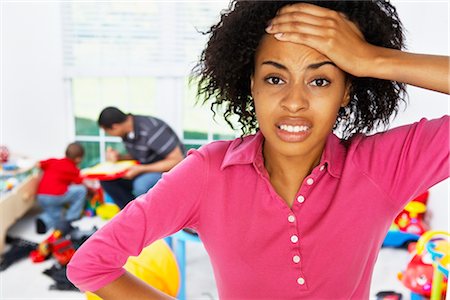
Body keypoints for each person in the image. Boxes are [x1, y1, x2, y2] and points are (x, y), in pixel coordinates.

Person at [67, 1, 449, 299]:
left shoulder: (382, 167)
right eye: (274, 78)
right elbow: (91, 264)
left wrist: (373, 59)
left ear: (347, 89)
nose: (294, 101)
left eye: (319, 80)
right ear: (252, 85)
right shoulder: (207, 174)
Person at [96, 107, 185, 209]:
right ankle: (131, 215)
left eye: (108, 132)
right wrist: (119, 158)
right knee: (107, 180)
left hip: (170, 171)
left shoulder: (151, 129)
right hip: (145, 168)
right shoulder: (127, 132)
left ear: (115, 127)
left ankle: (146, 217)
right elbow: (142, 156)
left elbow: (177, 160)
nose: (110, 135)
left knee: (141, 185)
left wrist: (141, 169)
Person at [36, 142, 87, 234]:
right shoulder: (73, 169)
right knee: (81, 190)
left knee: (56, 215)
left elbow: (39, 164)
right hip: (55, 196)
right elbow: (80, 183)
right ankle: (71, 218)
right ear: (78, 159)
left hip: (41, 196)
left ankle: (43, 221)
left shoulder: (53, 161)